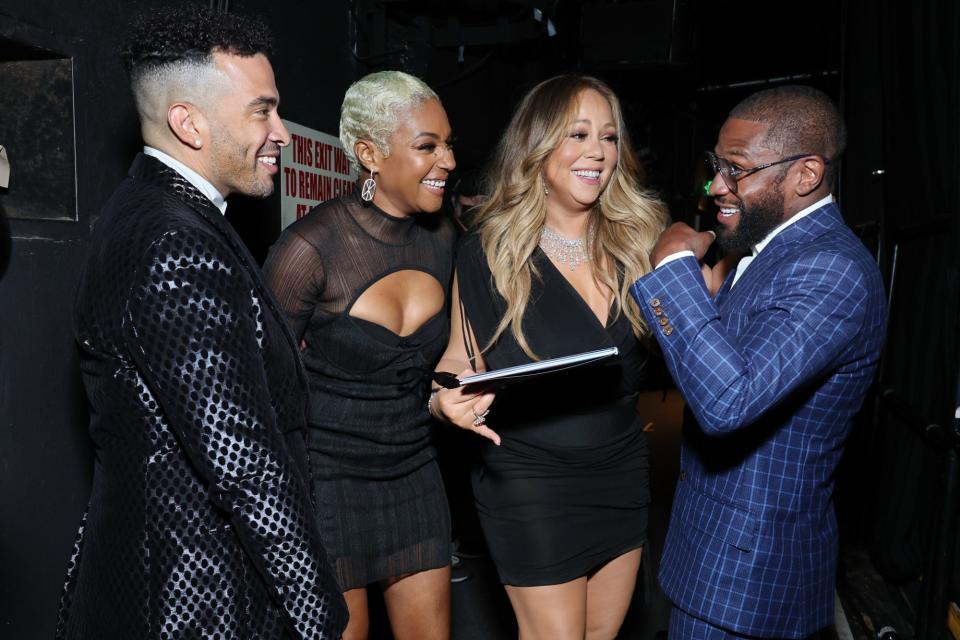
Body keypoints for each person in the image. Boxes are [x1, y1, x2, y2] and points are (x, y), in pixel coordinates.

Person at [55, 7, 347, 639]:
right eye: (261, 111)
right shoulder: (174, 242)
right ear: (188, 122)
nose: (283, 133)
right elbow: (242, 462)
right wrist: (319, 614)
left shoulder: (155, 213)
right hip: (197, 603)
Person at [630, 85, 886, 638]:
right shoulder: (771, 250)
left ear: (805, 174)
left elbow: (728, 400)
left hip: (746, 579)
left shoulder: (831, 270)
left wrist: (673, 271)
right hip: (718, 560)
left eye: (737, 169)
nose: (715, 186)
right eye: (716, 166)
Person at [432, 74, 667, 640]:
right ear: (536, 147)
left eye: (608, 138)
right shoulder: (488, 249)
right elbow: (460, 357)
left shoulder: (641, 241)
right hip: (530, 474)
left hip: (621, 466)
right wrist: (446, 403)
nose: (597, 153)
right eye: (577, 134)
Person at [262, 70, 457, 640]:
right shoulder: (308, 250)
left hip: (414, 469)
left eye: (448, 143)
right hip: (327, 480)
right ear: (369, 154)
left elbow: (449, 358)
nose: (446, 159)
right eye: (427, 146)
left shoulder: (443, 237)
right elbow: (265, 386)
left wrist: (453, 392)